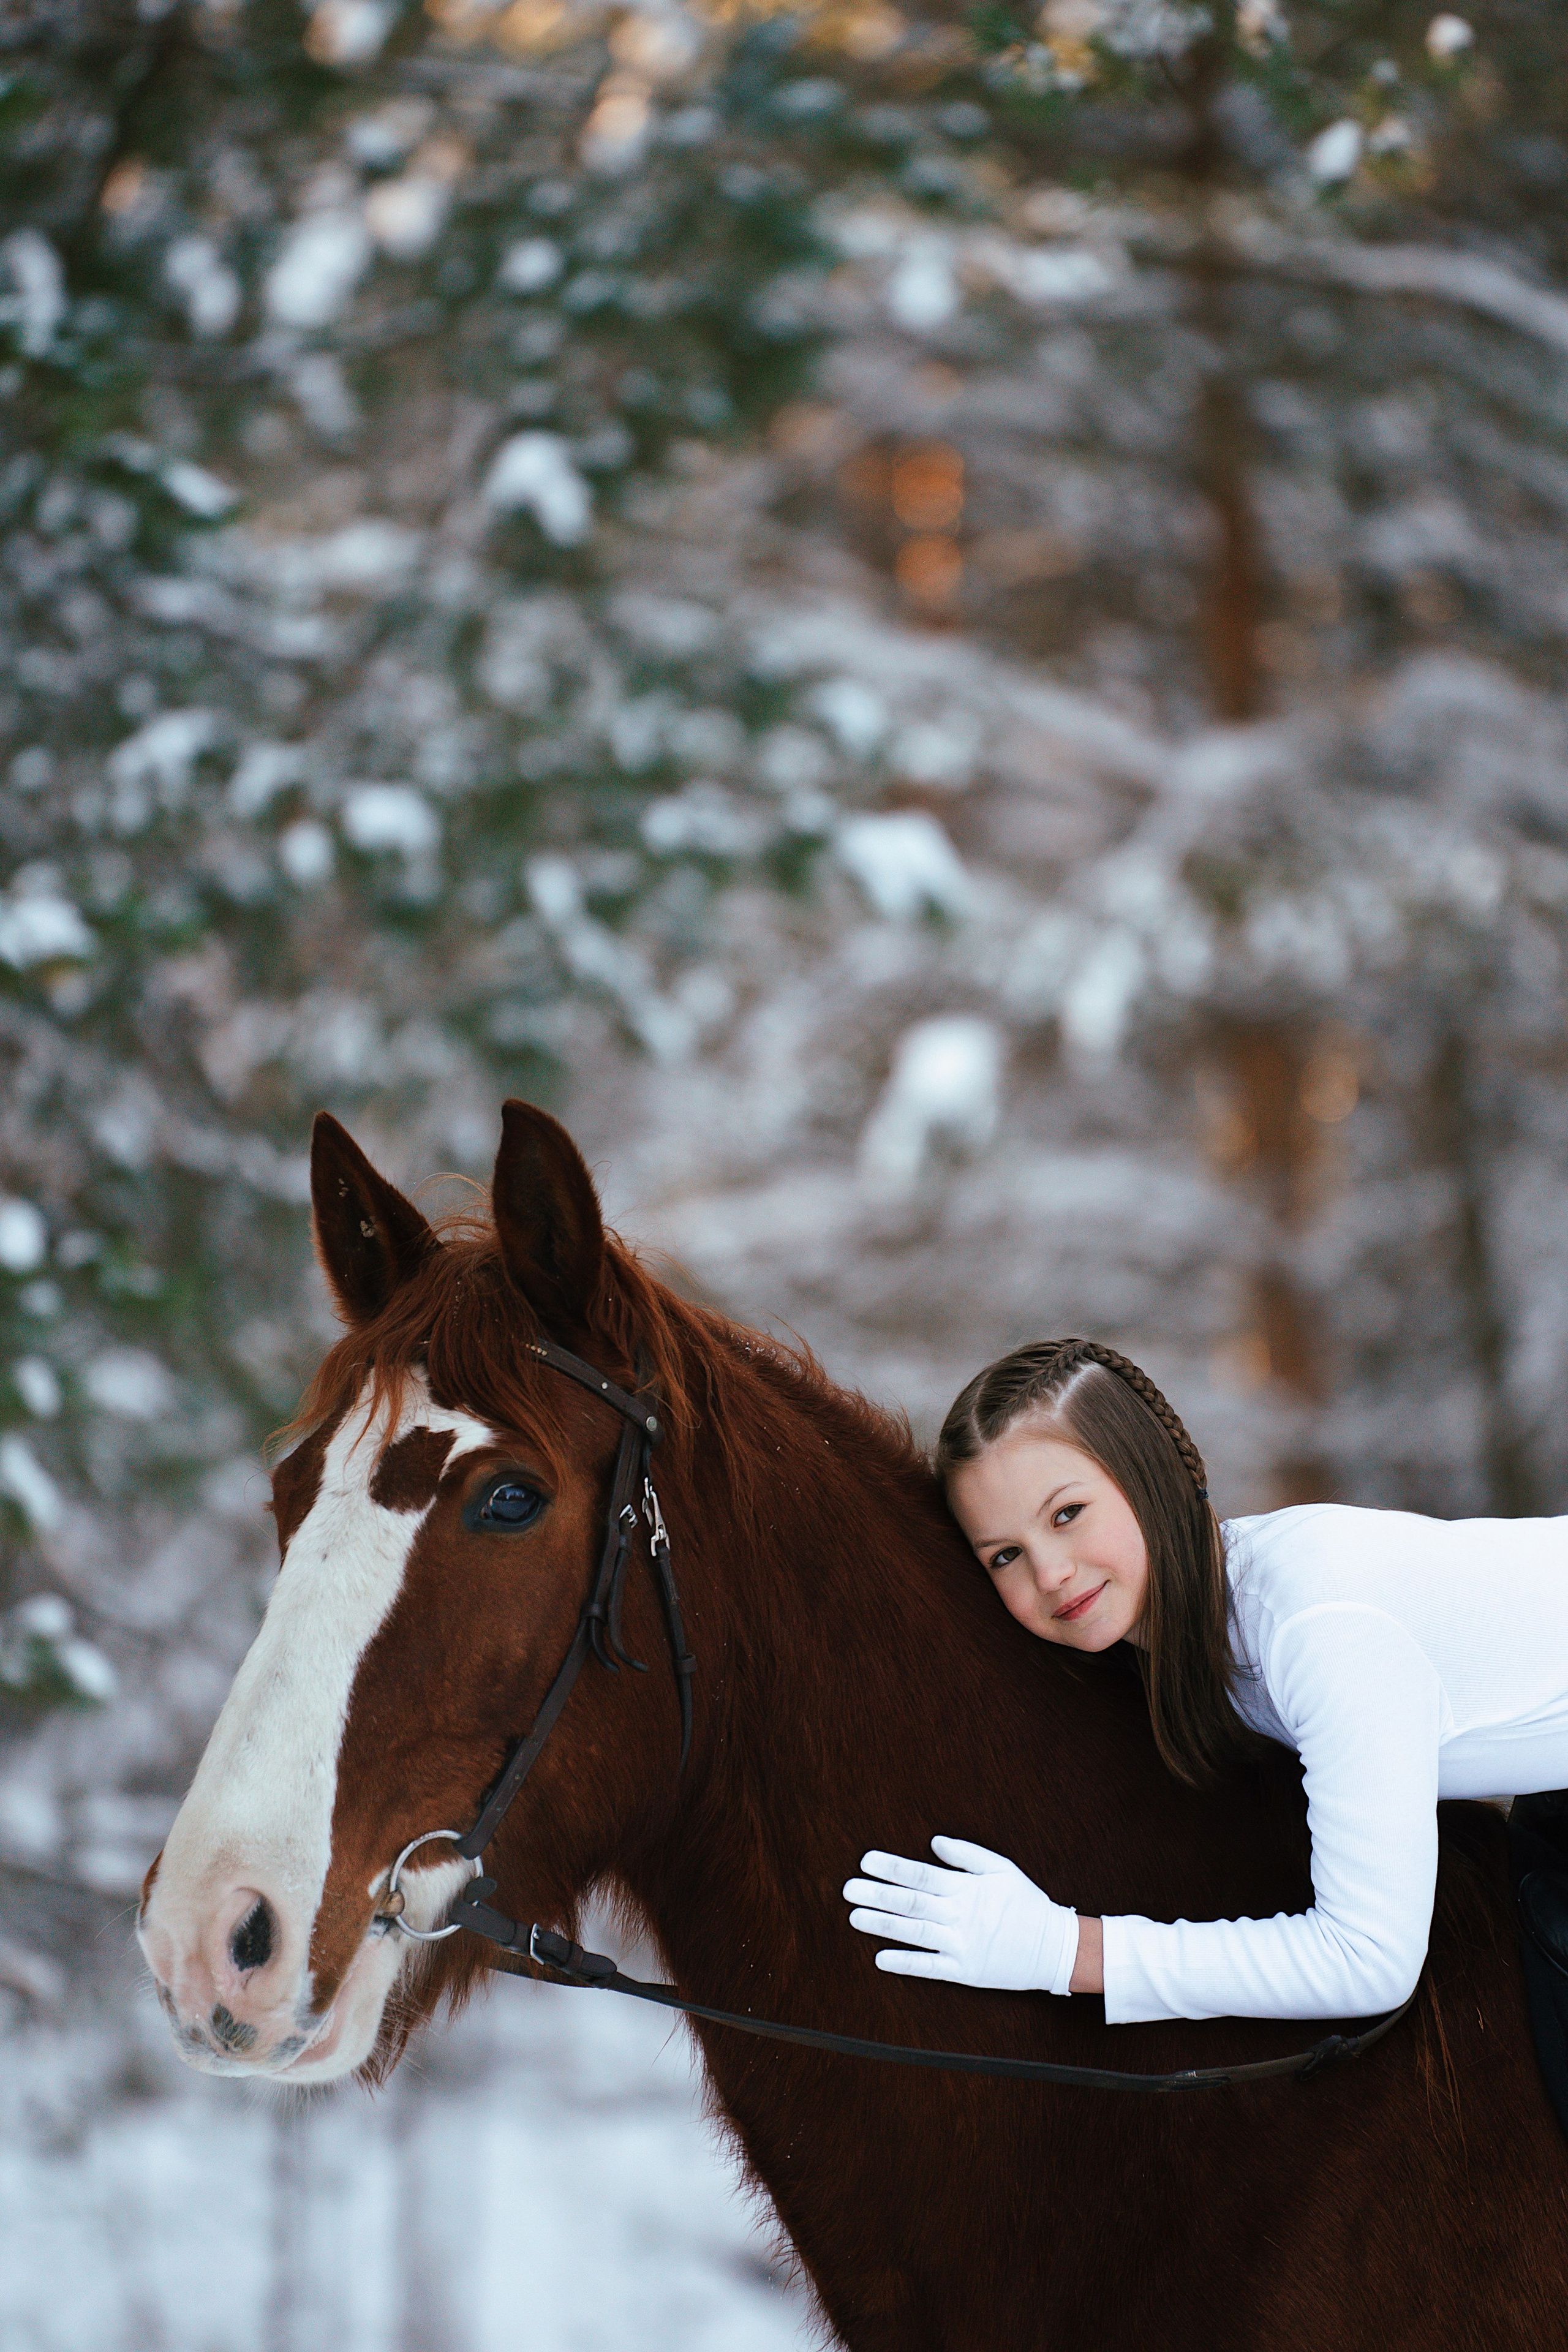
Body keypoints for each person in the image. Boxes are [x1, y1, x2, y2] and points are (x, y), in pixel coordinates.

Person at [842, 1338, 1568, 2025]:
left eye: (1067, 1514)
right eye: (1004, 1555)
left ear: (1149, 1476)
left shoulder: (1314, 1625)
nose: (1049, 1572)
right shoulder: (1180, 1643)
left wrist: (1063, 1951)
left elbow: (1369, 1959)